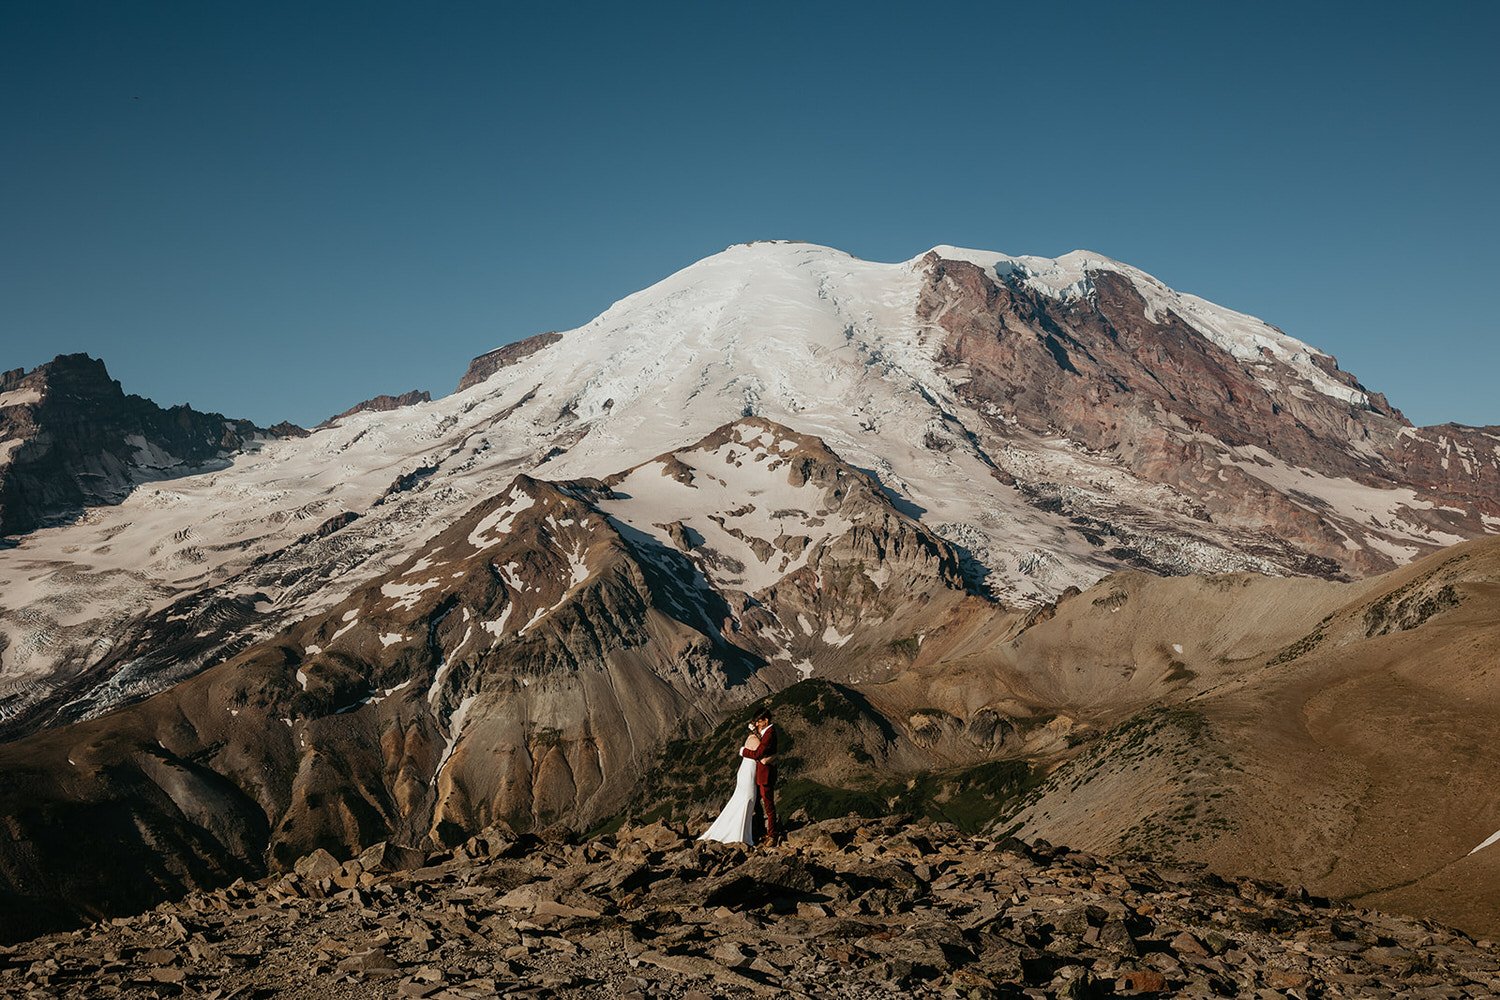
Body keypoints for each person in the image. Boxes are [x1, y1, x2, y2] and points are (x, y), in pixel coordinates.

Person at [699, 721, 762, 845]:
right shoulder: (755, 740)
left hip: (746, 771)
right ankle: (739, 835)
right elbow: (762, 755)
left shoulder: (752, 738)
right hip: (748, 773)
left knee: (742, 800)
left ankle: (737, 831)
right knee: (747, 800)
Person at [740, 712, 779, 845]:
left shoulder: (769, 734)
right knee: (758, 802)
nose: (757, 724)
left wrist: (743, 751)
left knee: (768, 804)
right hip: (761, 773)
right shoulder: (766, 732)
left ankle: (772, 835)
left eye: (759, 721)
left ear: (766, 720)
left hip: (765, 774)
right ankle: (763, 830)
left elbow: (758, 753)